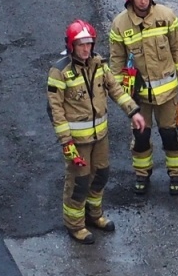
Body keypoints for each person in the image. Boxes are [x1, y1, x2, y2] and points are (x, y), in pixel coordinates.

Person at [48, 20, 146, 244]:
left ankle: (94, 215)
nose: (86, 49)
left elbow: (116, 89)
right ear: (71, 45)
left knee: (100, 175)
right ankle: (75, 225)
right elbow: (56, 110)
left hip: (100, 137)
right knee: (79, 182)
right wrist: (66, 142)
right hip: (77, 142)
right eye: (81, 44)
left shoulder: (99, 64)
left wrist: (134, 112)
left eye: (89, 44)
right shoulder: (59, 72)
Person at [108, 0, 178, 195]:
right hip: (139, 97)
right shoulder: (119, 25)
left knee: (170, 136)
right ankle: (142, 174)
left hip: (168, 94)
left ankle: (176, 175)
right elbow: (116, 62)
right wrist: (123, 96)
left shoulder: (167, 16)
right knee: (141, 138)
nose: (143, 1)